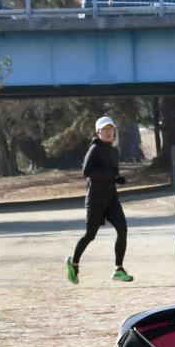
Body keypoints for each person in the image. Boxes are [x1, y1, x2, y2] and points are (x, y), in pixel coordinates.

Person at [66, 115, 132, 284]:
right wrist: (108, 174)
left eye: (111, 129)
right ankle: (74, 263)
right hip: (95, 200)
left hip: (111, 198)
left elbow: (112, 172)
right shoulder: (94, 149)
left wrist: (117, 179)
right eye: (105, 129)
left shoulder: (114, 150)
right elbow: (86, 172)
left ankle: (118, 268)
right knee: (90, 235)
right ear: (98, 132)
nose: (109, 132)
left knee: (122, 230)